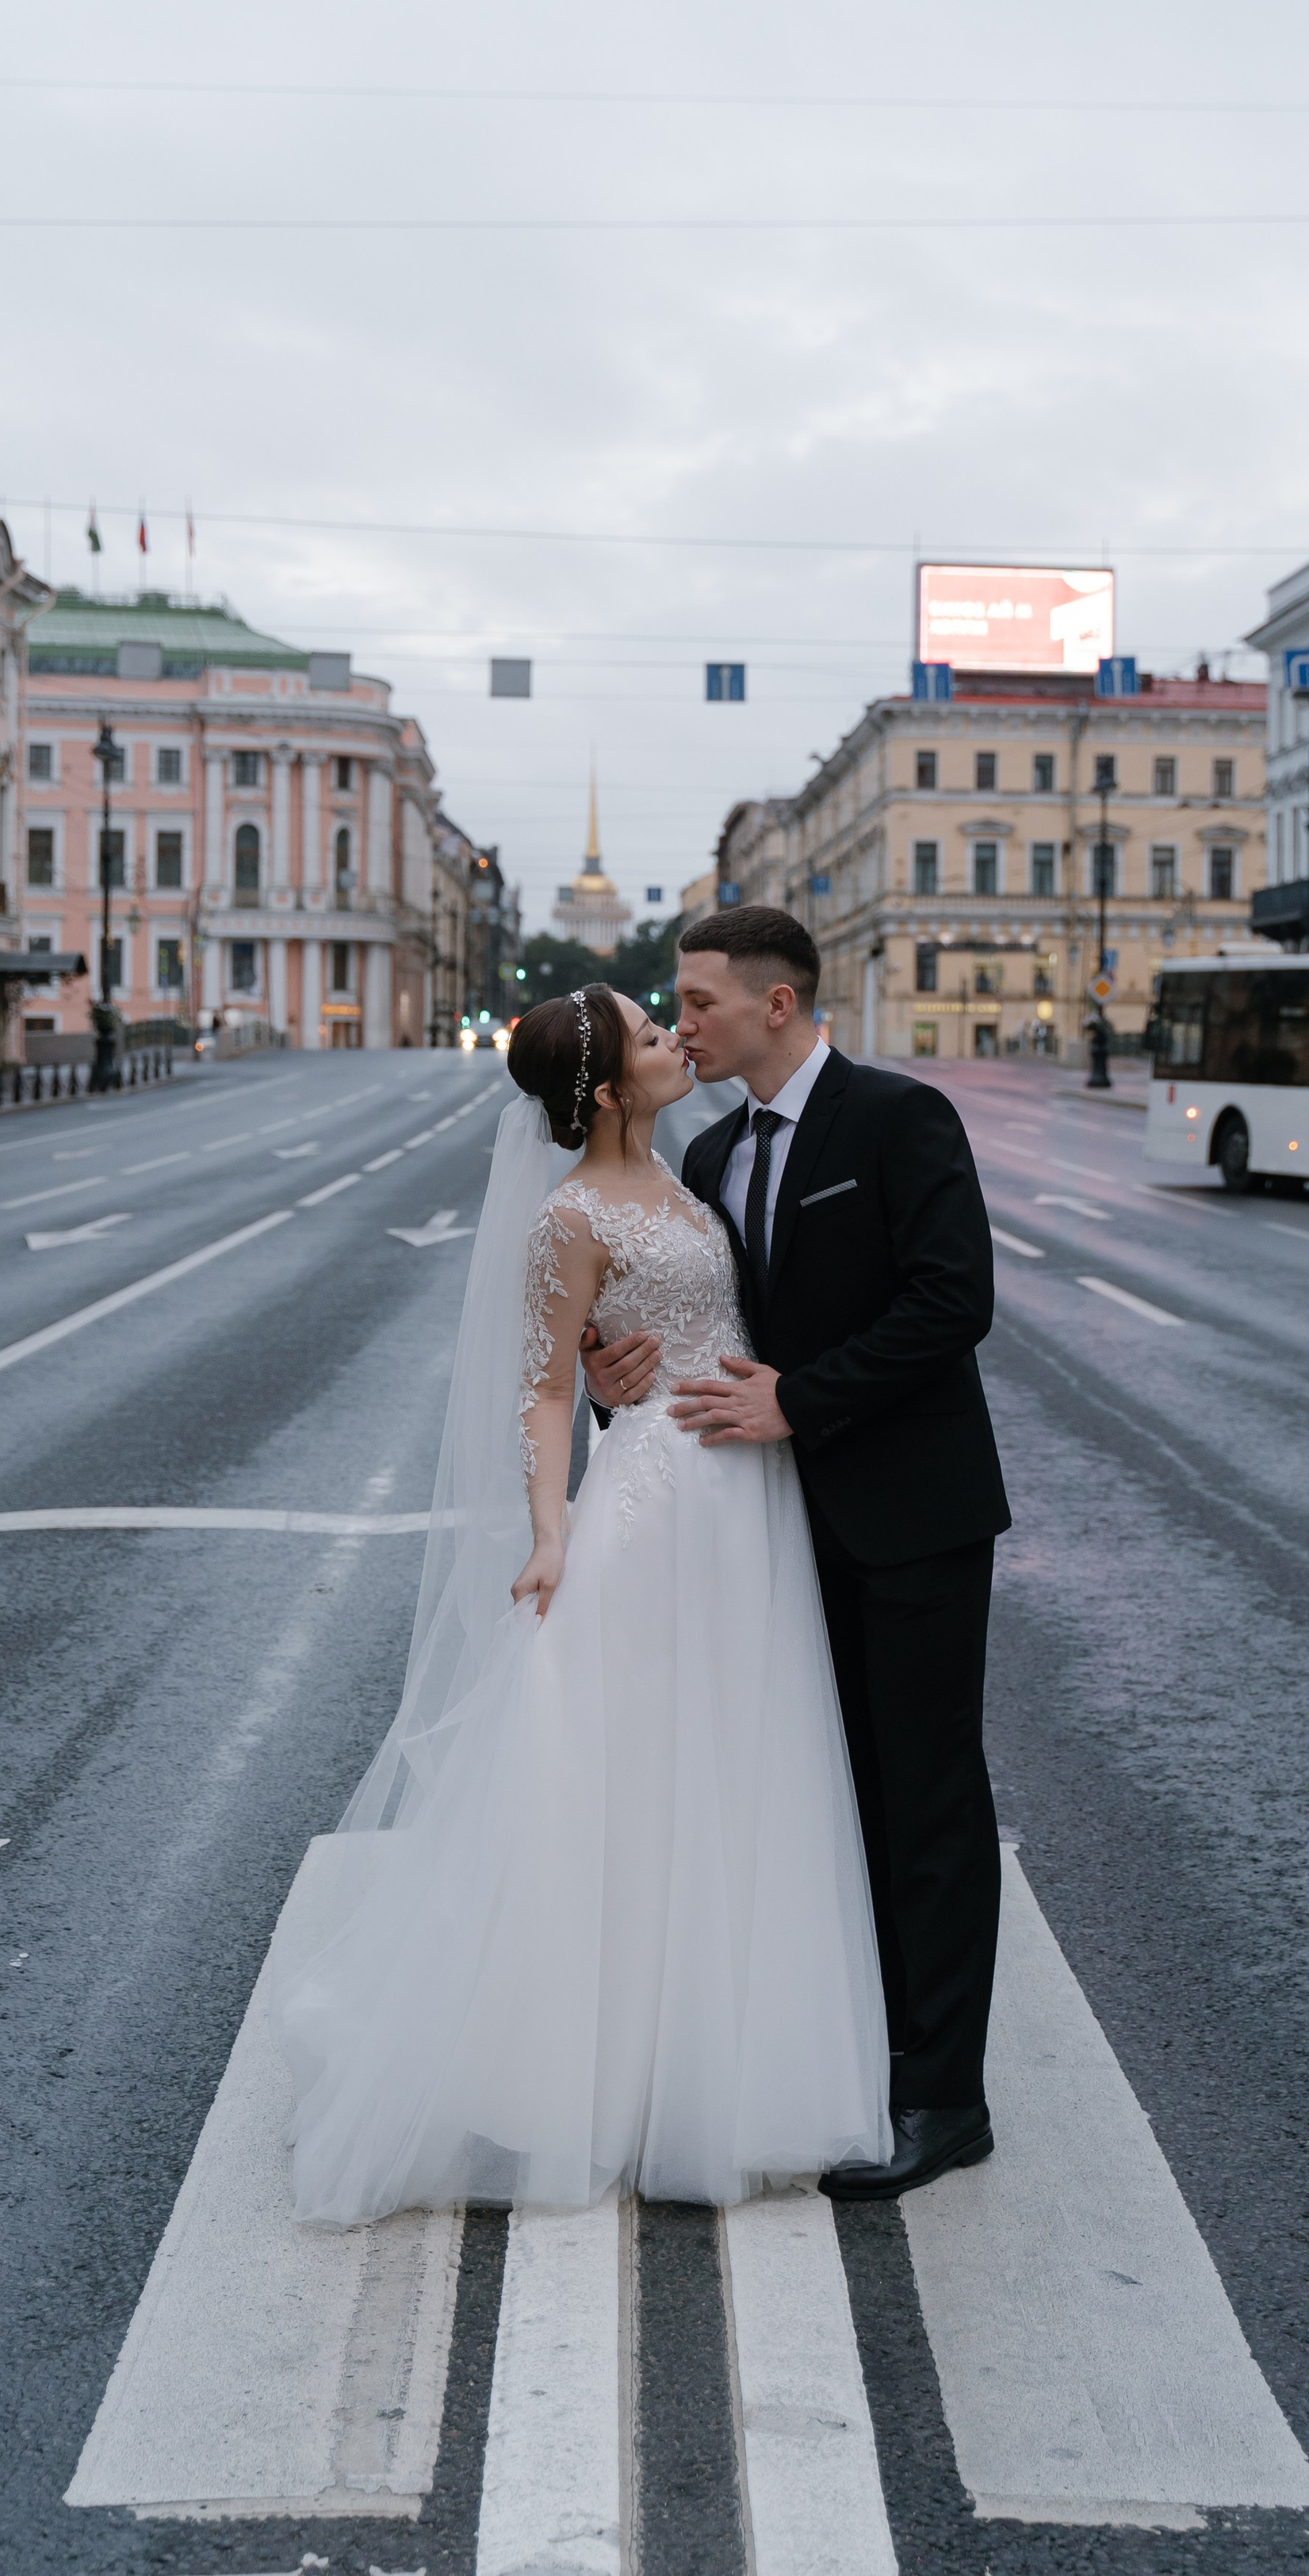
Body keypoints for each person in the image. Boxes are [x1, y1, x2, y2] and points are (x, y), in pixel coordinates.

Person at [272, 984, 889, 2222]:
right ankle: (607, 2071)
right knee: (638, 1778)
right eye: (655, 1034)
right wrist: (552, 1530)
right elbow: (542, 1389)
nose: (679, 1039)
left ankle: (717, 2058)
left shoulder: (689, 1173)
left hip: (747, 1500)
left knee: (734, 1771)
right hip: (661, 1502)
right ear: (607, 1091)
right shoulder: (571, 1217)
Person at [584, 906, 1009, 2199]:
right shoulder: (709, 1157)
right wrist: (618, 1379)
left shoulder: (897, 1119)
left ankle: (944, 2096)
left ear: (777, 1006)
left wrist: (803, 1401)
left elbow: (954, 1299)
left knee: (923, 1796)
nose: (682, 1022)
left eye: (698, 1002)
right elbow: (696, 1325)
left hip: (908, 1515)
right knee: (824, 1790)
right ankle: (852, 2049)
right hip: (766, 1531)